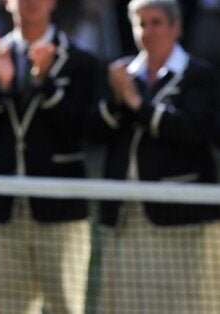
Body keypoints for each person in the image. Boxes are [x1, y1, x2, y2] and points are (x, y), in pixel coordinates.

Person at [85, 0, 220, 313]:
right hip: (126, 215)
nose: (148, 31)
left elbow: (194, 131)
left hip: (181, 218)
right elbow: (92, 133)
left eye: (156, 22)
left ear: (176, 27)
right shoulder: (121, 73)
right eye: (141, 23)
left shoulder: (199, 75)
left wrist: (137, 104)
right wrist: (121, 101)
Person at [0, 0, 102, 313]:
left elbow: (86, 131)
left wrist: (46, 86)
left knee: (65, 306)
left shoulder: (82, 61)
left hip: (61, 209)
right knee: (8, 307)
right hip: (3, 208)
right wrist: (1, 87)